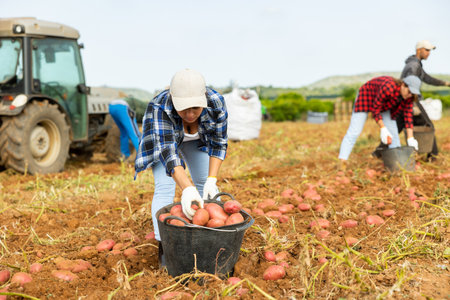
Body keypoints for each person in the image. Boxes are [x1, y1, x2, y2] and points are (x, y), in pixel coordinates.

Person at [134, 69, 228, 266]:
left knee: (206, 184)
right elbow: (168, 152)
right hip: (164, 143)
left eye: (196, 107)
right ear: (174, 100)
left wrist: (211, 180)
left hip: (196, 141)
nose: (191, 114)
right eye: (184, 108)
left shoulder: (216, 102)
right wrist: (187, 188)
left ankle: (213, 240)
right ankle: (165, 248)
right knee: (164, 187)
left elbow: (219, 143)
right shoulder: (159, 106)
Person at [372, 40, 450, 160]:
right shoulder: (413, 66)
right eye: (427, 50)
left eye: (430, 50)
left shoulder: (415, 64)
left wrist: (444, 83)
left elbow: (427, 78)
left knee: (399, 124)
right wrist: (413, 105)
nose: (429, 53)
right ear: (419, 50)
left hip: (405, 100)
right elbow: (409, 87)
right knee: (427, 125)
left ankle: (378, 152)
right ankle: (432, 156)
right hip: (411, 100)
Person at [338, 75, 421, 162]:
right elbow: (376, 109)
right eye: (409, 92)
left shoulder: (409, 97)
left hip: (384, 104)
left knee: (393, 133)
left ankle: (397, 163)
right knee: (355, 131)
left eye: (413, 94)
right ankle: (342, 161)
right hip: (366, 97)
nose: (410, 95)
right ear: (403, 85)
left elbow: (408, 116)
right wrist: (383, 128)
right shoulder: (388, 88)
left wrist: (410, 138)